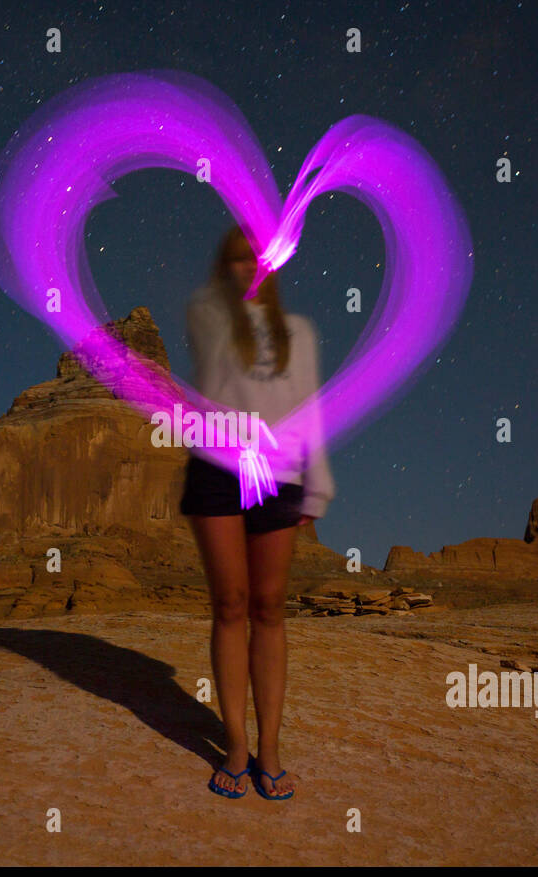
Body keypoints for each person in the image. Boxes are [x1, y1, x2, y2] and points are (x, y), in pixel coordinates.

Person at [179, 225, 334, 799]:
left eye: (256, 261)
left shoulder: (301, 334)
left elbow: (310, 408)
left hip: (278, 472)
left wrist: (316, 487)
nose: (248, 269)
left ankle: (269, 749)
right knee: (231, 604)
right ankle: (237, 746)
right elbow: (207, 356)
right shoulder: (210, 320)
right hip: (218, 465)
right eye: (235, 262)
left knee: (269, 607)